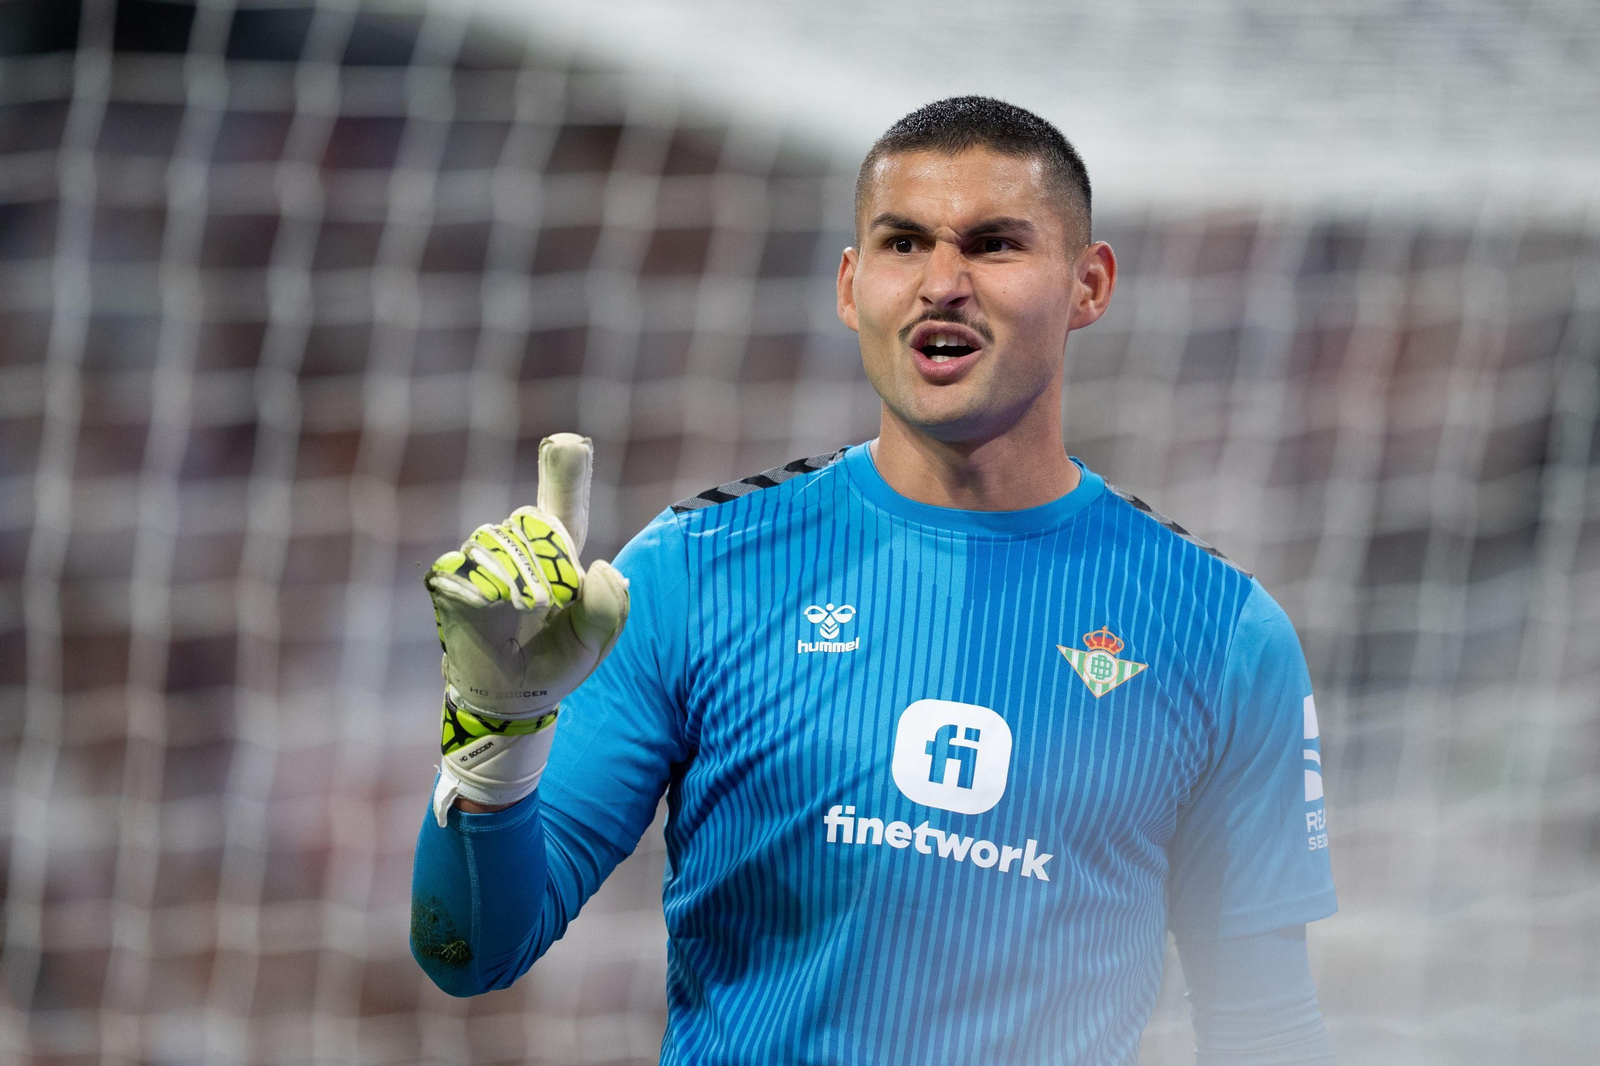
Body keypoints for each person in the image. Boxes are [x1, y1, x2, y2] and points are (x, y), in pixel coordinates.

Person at [411, 96, 1337, 1065]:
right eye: (903, 244)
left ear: (1088, 285)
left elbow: (1263, 1026)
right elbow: (467, 951)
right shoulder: (695, 571)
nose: (942, 282)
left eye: (992, 245)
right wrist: (493, 738)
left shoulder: (1220, 633)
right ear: (852, 286)